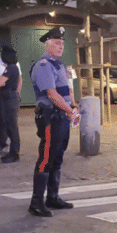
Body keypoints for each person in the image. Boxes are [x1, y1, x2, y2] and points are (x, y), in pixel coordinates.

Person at [27, 26, 79, 217]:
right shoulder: (44, 65)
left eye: (62, 43)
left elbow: (64, 92)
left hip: (61, 117)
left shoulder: (58, 65)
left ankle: (52, 197)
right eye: (57, 43)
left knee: (57, 157)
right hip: (51, 117)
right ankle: (36, 202)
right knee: (46, 158)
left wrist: (72, 106)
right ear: (47, 45)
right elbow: (52, 94)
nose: (60, 46)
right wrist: (70, 110)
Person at [0, 45, 22, 164]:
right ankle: (12, 152)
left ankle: (14, 153)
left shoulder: (11, 67)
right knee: (9, 125)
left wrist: (1, 82)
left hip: (9, 98)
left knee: (11, 126)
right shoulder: (14, 67)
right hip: (8, 98)